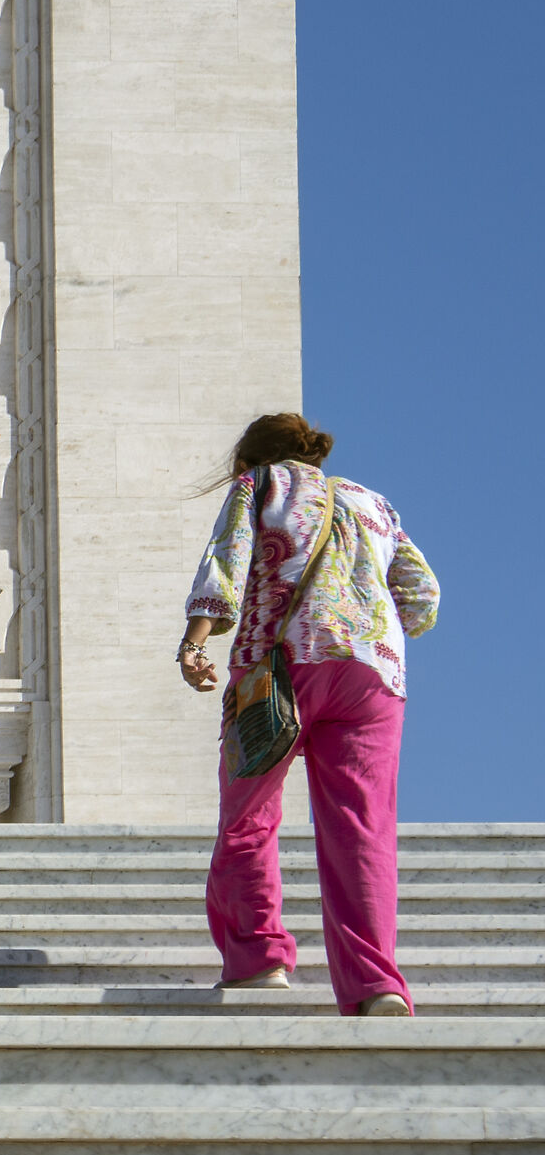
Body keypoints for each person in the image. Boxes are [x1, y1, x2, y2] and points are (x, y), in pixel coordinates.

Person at [179, 412, 440, 1016]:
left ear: (250, 459)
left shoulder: (260, 484)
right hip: (374, 674)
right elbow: (423, 597)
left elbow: (226, 562)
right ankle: (376, 985)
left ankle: (258, 959)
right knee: (363, 828)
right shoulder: (375, 503)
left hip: (281, 666)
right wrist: (367, 619)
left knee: (249, 813)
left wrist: (194, 643)